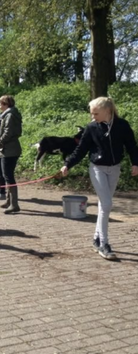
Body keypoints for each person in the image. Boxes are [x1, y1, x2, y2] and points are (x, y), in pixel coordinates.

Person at [61, 97, 138, 260]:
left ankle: (96, 239)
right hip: (97, 169)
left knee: (105, 205)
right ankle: (104, 243)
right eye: (91, 113)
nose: (92, 117)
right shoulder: (91, 128)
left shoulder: (122, 125)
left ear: (107, 111)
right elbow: (81, 149)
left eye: (95, 113)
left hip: (115, 168)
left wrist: (135, 163)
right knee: (107, 204)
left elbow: (132, 145)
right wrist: (68, 164)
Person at [0, 95, 22, 214]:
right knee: (7, 175)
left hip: (9, 149)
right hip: (11, 148)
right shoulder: (11, 114)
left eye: (1, 104)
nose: (0, 106)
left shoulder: (9, 115)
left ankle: (14, 204)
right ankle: (9, 202)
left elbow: (8, 131)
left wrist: (1, 140)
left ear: (7, 105)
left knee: (8, 176)